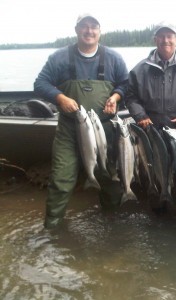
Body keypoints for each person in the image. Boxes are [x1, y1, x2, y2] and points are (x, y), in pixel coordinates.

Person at [34, 13, 129, 229]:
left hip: (104, 130)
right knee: (61, 180)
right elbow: (40, 83)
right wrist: (60, 97)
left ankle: (110, 223)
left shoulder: (114, 58)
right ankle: (52, 227)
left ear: (99, 31)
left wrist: (115, 97)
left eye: (93, 27)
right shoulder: (59, 57)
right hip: (69, 130)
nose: (89, 31)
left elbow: (126, 84)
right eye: (84, 26)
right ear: (77, 30)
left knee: (112, 180)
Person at [125, 20, 176, 205]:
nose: (165, 40)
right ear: (155, 40)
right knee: (154, 170)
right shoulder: (140, 69)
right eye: (161, 36)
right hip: (152, 133)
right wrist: (141, 116)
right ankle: (159, 210)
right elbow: (130, 97)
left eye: (169, 36)